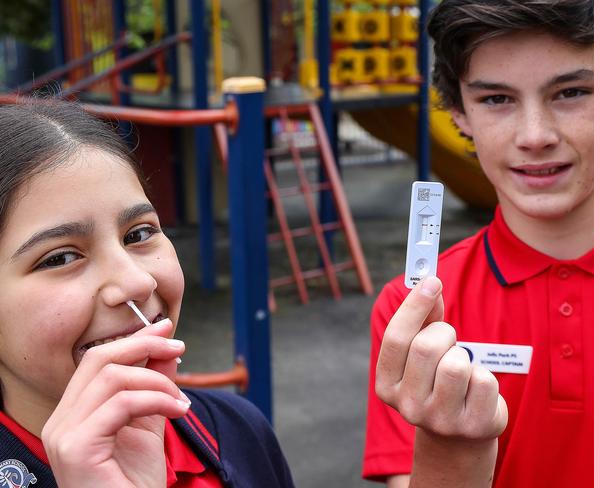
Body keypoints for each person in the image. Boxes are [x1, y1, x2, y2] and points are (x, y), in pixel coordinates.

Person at [0, 99, 504, 487]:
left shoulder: (235, 430)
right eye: (61, 257)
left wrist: (453, 454)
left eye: (139, 233)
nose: (136, 281)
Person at [363, 0, 594, 487]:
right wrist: (451, 450)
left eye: (571, 92)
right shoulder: (413, 310)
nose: (534, 136)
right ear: (459, 112)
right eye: (497, 99)